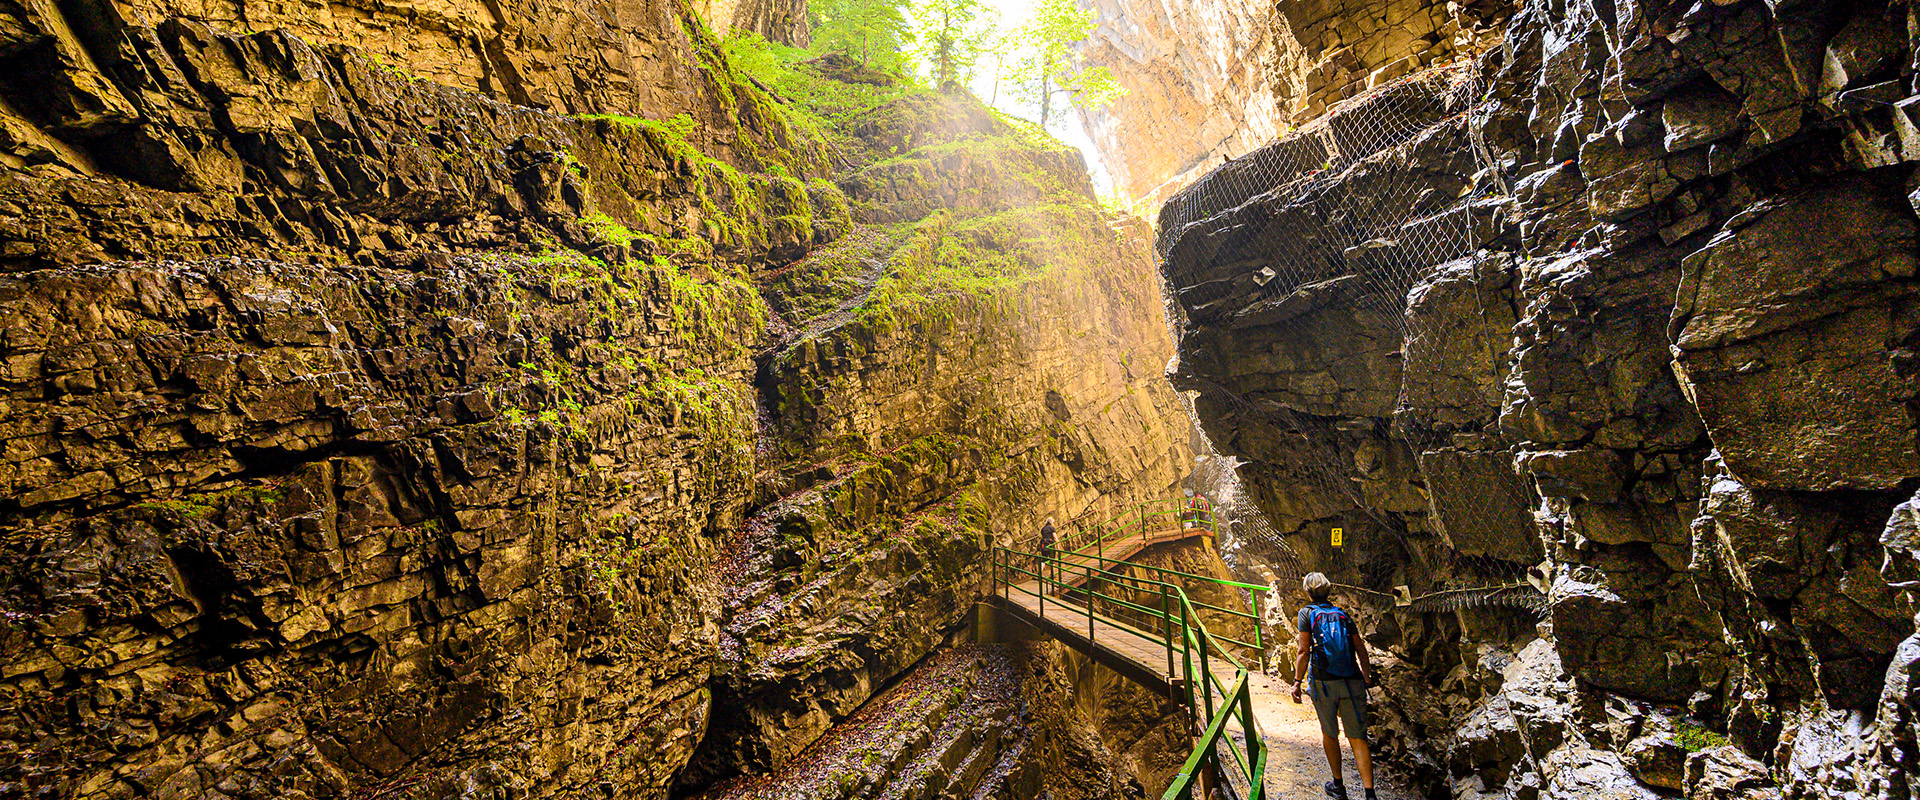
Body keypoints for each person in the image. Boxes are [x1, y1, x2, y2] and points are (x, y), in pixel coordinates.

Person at [1291, 572, 1377, 800]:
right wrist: (1366, 676)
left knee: (1330, 733)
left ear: (1307, 592)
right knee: (1358, 738)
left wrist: (1297, 682)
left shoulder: (1306, 614)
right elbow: (1360, 648)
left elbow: (1303, 650)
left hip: (1323, 683)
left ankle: (1338, 785)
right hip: (1352, 680)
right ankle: (1370, 794)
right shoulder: (1342, 614)